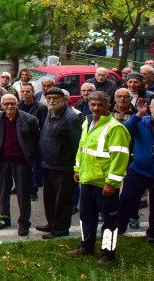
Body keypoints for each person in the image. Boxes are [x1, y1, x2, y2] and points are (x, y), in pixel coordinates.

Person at [68, 91, 130, 264]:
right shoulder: (87, 122)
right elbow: (83, 148)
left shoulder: (115, 128)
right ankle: (86, 245)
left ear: (109, 107)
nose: (95, 108)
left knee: (109, 221)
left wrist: (111, 183)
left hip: (105, 184)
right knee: (86, 216)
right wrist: (78, 169)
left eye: (100, 105)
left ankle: (108, 254)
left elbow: (120, 158)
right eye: (92, 104)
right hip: (87, 180)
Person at [0, 94, 40, 236]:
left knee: (23, 193)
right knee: (3, 192)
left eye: (12, 103)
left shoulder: (29, 120)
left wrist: (34, 161)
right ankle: (4, 219)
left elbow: (36, 141)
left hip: (22, 162)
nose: (9, 106)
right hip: (3, 161)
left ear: (17, 104)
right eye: (6, 104)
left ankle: (24, 222)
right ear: (2, 105)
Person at [36, 87, 82, 239]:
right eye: (49, 98)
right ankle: (52, 223)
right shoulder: (51, 112)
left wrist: (77, 167)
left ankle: (60, 229)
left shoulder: (71, 118)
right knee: (49, 197)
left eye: (55, 98)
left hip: (64, 166)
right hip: (49, 164)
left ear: (64, 100)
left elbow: (78, 145)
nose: (52, 101)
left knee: (62, 200)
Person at [118, 97, 154, 244]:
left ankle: (152, 234)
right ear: (150, 108)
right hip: (138, 170)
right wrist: (138, 114)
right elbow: (125, 129)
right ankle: (119, 227)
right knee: (126, 199)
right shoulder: (142, 121)